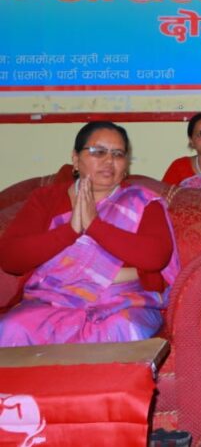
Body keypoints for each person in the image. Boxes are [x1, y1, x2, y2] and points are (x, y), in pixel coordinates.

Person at [0, 121, 180, 346]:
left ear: (126, 164)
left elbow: (156, 257)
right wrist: (70, 231)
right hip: (50, 303)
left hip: (121, 304)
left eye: (118, 154)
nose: (109, 160)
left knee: (121, 329)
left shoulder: (142, 202)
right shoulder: (46, 199)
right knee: (11, 329)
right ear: (76, 159)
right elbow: (10, 258)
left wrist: (95, 226)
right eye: (98, 152)